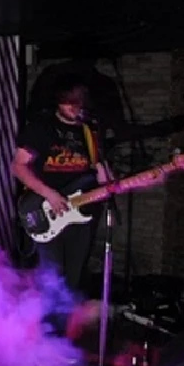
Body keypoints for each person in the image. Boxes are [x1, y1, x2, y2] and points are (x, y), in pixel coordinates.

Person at [11, 77, 111, 336]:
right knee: (51, 279)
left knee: (73, 279)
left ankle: (62, 338)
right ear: (59, 102)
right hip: (47, 209)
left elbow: (98, 168)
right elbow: (18, 166)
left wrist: (109, 185)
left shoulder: (89, 131)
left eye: (79, 104)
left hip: (81, 213)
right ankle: (45, 338)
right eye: (70, 104)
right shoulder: (41, 128)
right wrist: (50, 194)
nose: (75, 109)